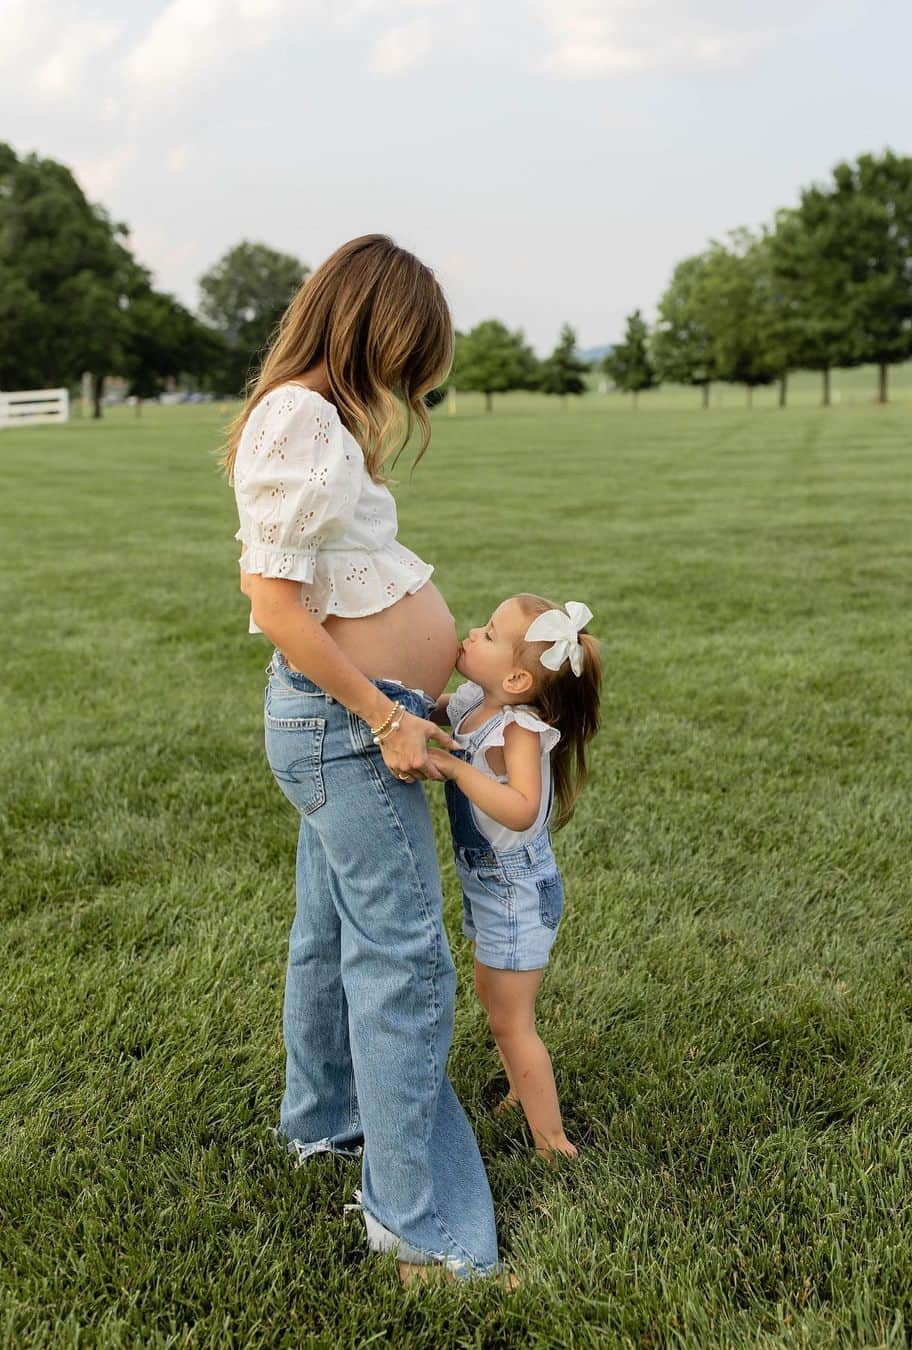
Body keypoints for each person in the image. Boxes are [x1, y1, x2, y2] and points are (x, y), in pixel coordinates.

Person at [222, 234, 501, 1284]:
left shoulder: (318, 416)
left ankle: (325, 1123)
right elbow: (276, 608)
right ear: (375, 322)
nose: (413, 377)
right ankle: (417, 1227)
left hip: (352, 719)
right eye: (411, 349)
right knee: (403, 960)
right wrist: (386, 720)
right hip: (346, 728)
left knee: (329, 929)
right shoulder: (299, 414)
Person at [428, 595, 602, 1162]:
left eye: (488, 633)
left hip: (515, 891)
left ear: (518, 676)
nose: (472, 633)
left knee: (513, 1021)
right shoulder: (477, 700)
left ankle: (552, 1142)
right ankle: (518, 1088)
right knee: (494, 999)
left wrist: (454, 766)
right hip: (488, 883)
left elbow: (522, 807)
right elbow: (444, 707)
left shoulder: (519, 729)